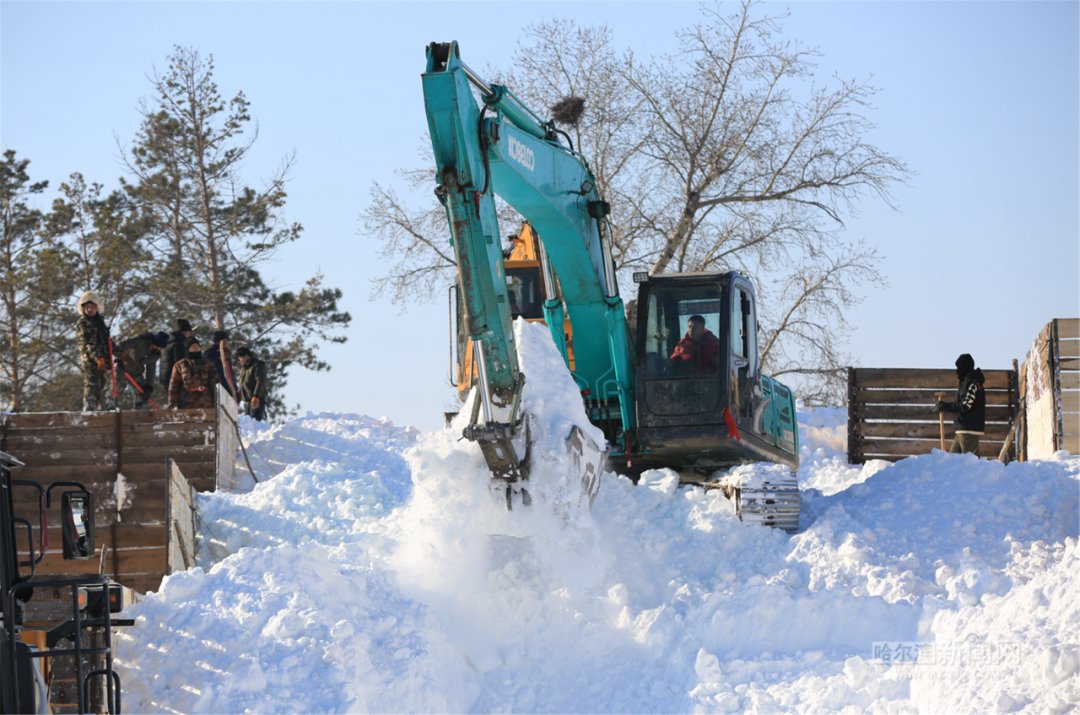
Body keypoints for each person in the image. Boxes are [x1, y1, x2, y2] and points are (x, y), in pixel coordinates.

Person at [936, 353, 986, 455]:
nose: (957, 371)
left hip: (968, 429)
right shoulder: (968, 382)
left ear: (965, 367)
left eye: (958, 367)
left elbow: (965, 406)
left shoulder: (971, 383)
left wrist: (945, 406)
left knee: (970, 463)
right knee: (953, 462)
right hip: (963, 429)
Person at [75, 291, 112, 411]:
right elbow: (89, 343)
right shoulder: (83, 323)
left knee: (101, 383)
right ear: (83, 308)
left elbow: (107, 341)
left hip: (103, 359)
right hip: (90, 360)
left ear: (97, 308)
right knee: (91, 383)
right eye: (87, 307)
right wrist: (98, 358)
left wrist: (120, 353)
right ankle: (88, 409)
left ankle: (95, 408)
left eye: (92, 307)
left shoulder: (100, 322)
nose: (90, 309)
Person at [113, 331, 169, 409]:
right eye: (156, 346)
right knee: (116, 392)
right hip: (122, 368)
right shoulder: (141, 341)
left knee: (143, 393)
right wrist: (120, 360)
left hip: (136, 372)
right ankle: (111, 410)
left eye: (159, 348)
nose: (156, 348)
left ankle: (139, 413)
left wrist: (148, 386)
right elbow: (121, 346)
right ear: (153, 341)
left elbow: (151, 371)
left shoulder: (155, 355)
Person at [168, 336, 220, 409]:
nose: (195, 347)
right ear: (188, 348)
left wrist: (218, 403)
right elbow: (173, 387)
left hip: (206, 402)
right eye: (192, 346)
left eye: (197, 345)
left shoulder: (208, 364)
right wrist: (172, 405)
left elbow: (215, 384)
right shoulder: (180, 365)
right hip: (187, 402)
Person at [234, 346, 268, 421]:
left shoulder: (257, 366)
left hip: (256, 400)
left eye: (240, 357)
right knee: (248, 423)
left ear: (246, 356)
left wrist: (256, 396)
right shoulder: (244, 369)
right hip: (247, 401)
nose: (239, 360)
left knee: (255, 422)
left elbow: (260, 381)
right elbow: (242, 385)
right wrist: (238, 396)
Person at [159, 318, 194, 390]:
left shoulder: (169, 341)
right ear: (184, 331)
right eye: (189, 331)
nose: (190, 334)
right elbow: (180, 362)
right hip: (174, 378)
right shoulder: (179, 343)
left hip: (165, 377)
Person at [206, 329, 236, 399]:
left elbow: (230, 374)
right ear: (223, 340)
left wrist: (235, 388)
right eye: (227, 340)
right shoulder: (210, 353)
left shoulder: (227, 353)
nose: (228, 342)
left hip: (230, 389)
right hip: (219, 388)